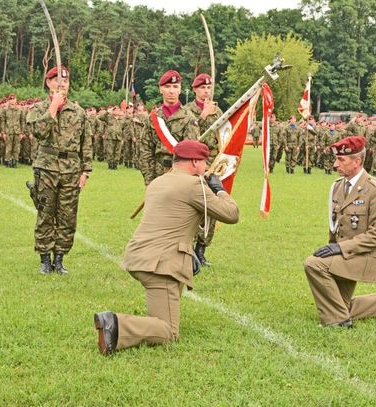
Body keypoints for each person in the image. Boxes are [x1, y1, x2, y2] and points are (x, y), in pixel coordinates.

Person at [94, 140, 239, 355]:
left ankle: (126, 323)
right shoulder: (193, 186)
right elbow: (231, 214)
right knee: (168, 332)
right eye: (204, 162)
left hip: (141, 257)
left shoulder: (158, 182)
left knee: (164, 315)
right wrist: (219, 190)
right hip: (161, 264)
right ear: (194, 162)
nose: (206, 167)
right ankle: (115, 324)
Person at [303, 135, 376, 328]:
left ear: (357, 161)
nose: (335, 164)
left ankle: (339, 321)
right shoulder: (338, 186)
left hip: (363, 257)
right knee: (340, 305)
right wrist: (333, 248)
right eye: (336, 159)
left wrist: (339, 249)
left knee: (313, 264)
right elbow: (335, 227)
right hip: (344, 256)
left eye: (341, 160)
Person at [26, 65, 92, 275]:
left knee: (67, 216)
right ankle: (45, 259)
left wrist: (86, 171)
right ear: (48, 83)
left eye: (65, 81)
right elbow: (38, 132)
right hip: (46, 168)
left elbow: (86, 143)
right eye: (57, 80)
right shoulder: (38, 109)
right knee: (45, 213)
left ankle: (60, 258)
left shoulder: (78, 112)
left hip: (71, 169)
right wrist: (53, 107)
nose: (61, 84)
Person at [186, 73, 223, 266]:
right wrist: (202, 116)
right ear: (195, 90)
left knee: (212, 209)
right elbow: (188, 138)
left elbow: (224, 135)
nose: (206, 91)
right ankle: (189, 250)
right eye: (202, 88)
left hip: (214, 165)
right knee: (194, 208)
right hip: (195, 165)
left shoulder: (218, 111)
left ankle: (202, 250)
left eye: (209, 88)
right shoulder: (188, 111)